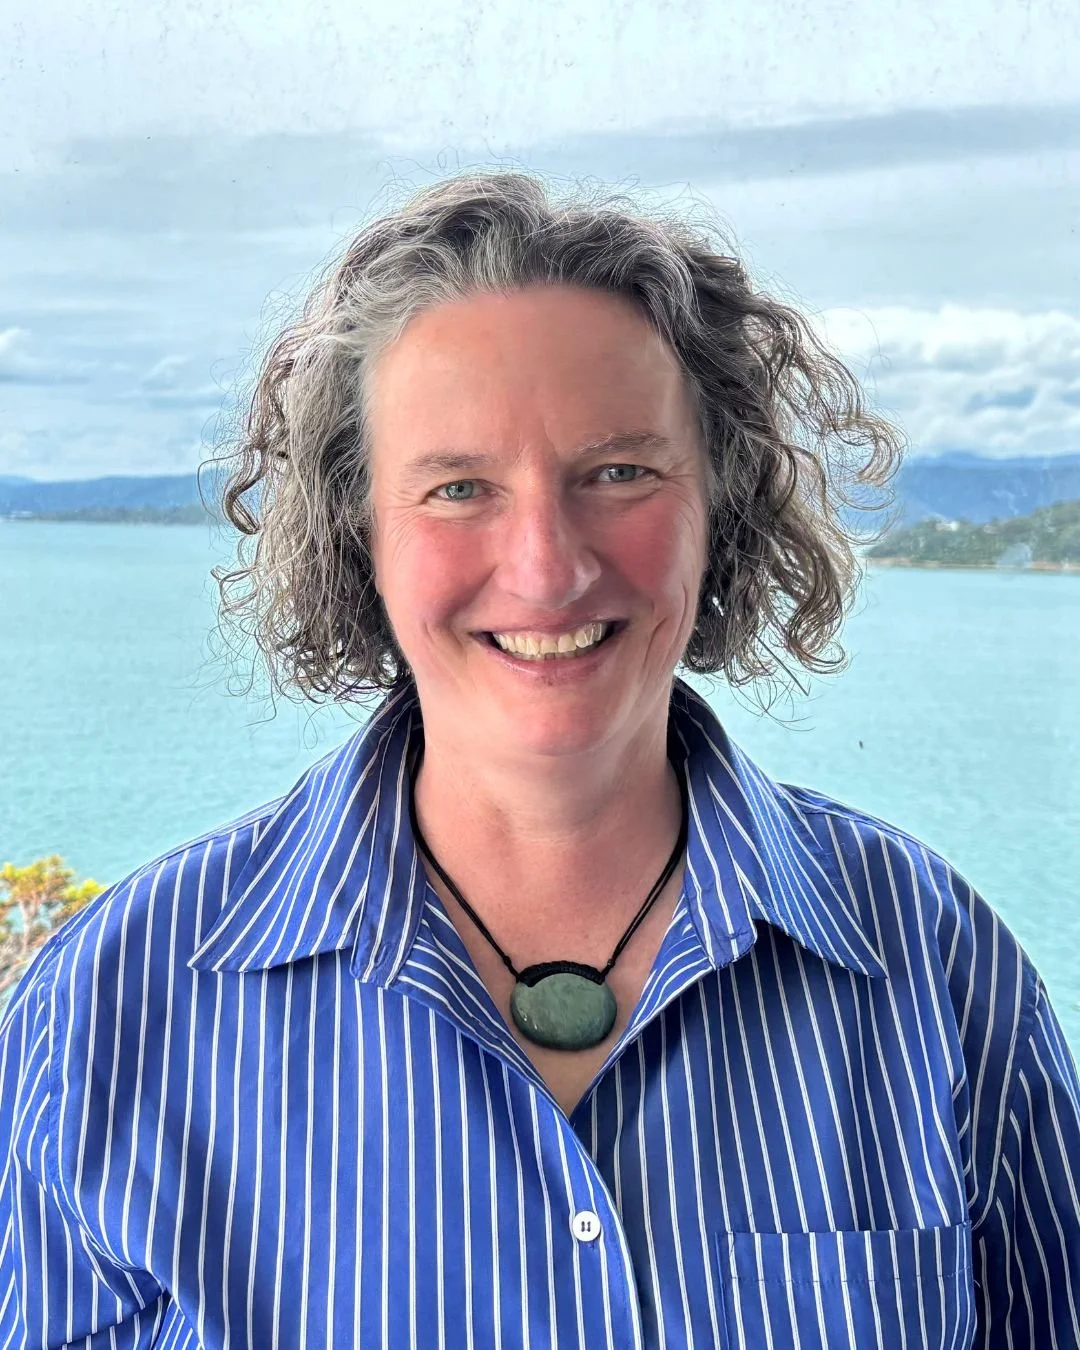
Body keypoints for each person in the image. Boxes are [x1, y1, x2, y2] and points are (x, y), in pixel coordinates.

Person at [1, 169, 1078, 1350]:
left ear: (721, 505)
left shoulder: (933, 966)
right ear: (361, 536)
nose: (548, 568)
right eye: (459, 487)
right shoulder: (110, 1014)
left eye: (618, 473)